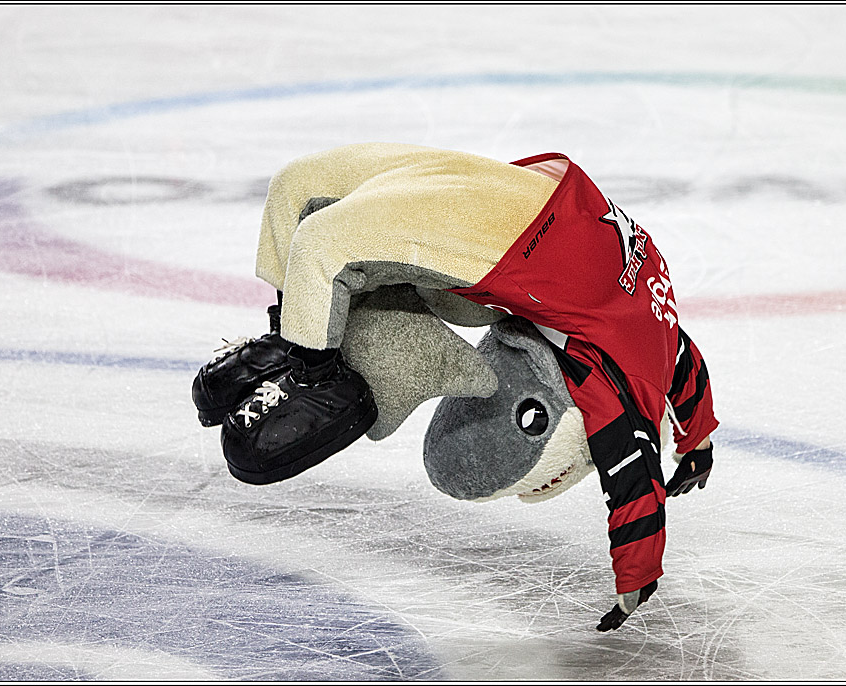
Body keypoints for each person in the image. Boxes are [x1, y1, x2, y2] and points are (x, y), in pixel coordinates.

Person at [192, 143, 718, 631]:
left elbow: (681, 374)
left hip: (531, 191)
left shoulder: (655, 324)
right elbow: (632, 470)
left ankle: (302, 342)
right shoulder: (613, 377)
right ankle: (308, 361)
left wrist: (698, 444)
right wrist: (638, 577)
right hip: (515, 238)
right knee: (316, 229)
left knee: (301, 192)